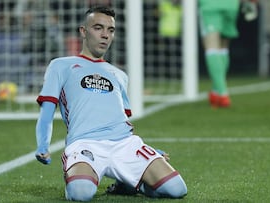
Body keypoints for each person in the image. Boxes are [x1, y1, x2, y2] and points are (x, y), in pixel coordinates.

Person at [35, 6, 187, 201]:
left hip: (125, 144)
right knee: (81, 194)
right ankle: (85, 177)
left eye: (110, 30)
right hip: (85, 143)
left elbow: (121, 120)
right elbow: (47, 111)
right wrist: (42, 146)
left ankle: (131, 184)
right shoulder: (60, 65)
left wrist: (151, 153)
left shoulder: (120, 75)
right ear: (83, 31)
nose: (105, 35)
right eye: (98, 28)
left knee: (176, 189)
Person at [198, 0, 258, 108]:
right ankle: (216, 91)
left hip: (210, 5)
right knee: (223, 47)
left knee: (211, 46)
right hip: (231, 5)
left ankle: (222, 93)